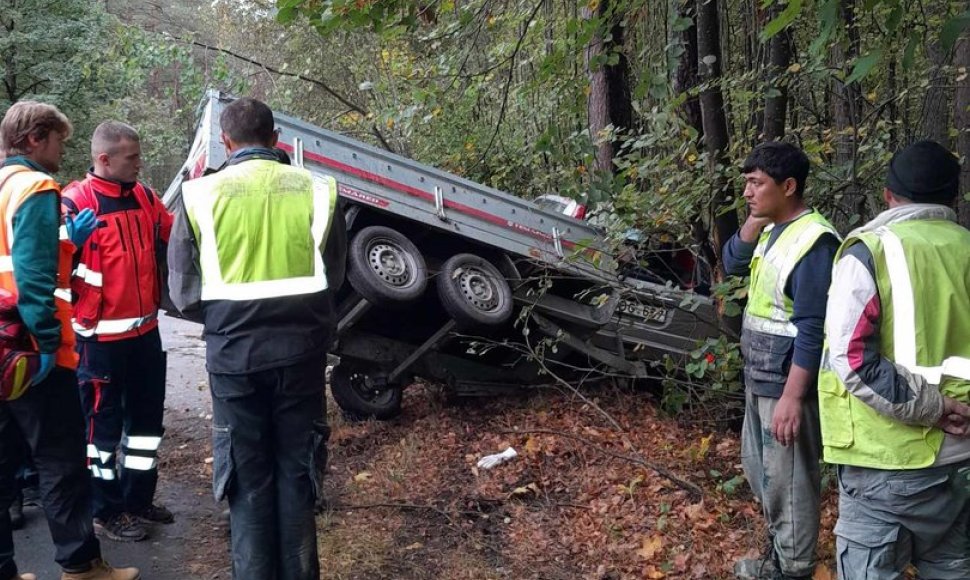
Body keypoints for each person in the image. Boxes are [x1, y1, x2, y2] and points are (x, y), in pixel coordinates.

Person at [168, 96, 347, 580]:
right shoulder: (319, 189)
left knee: (247, 479)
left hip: (233, 359)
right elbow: (332, 276)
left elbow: (184, 294)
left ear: (225, 142)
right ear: (275, 140)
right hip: (302, 357)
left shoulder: (199, 195)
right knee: (297, 474)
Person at [0, 101, 140, 580]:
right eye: (58, 139)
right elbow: (35, 280)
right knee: (61, 462)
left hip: (0, 349)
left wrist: (67, 243)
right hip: (30, 350)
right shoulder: (37, 187)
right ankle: (82, 567)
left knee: (1, 467)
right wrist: (43, 345)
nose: (63, 150)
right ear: (35, 139)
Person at [819, 140, 970, 579]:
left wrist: (936, 408)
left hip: (888, 463)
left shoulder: (871, 251)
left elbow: (853, 358)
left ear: (888, 194)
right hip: (961, 465)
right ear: (952, 198)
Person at [723, 142, 840, 580]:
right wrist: (754, 219)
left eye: (757, 184)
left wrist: (794, 396)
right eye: (747, 183)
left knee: (789, 483)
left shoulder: (815, 243)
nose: (748, 192)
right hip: (760, 376)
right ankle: (780, 556)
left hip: (786, 385)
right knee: (762, 474)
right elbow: (733, 264)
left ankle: (792, 570)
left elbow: (814, 327)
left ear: (788, 186)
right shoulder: (773, 229)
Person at [61, 122, 174, 543]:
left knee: (146, 428)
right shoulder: (74, 203)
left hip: (145, 335)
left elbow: (173, 230)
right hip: (99, 344)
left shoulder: (144, 196)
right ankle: (106, 510)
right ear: (104, 160)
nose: (139, 163)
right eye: (132, 157)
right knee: (101, 435)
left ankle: (138, 500)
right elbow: (52, 267)